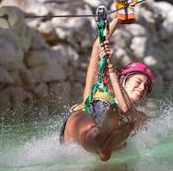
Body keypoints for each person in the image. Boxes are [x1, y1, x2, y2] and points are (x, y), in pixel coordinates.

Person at [59, 16, 154, 161]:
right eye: (139, 82)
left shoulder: (139, 116)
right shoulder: (102, 87)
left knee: (124, 122)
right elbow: (97, 47)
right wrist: (118, 19)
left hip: (112, 132)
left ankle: (107, 139)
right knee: (85, 121)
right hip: (78, 129)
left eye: (146, 87)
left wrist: (111, 70)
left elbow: (129, 111)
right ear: (124, 79)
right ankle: (101, 138)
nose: (142, 88)